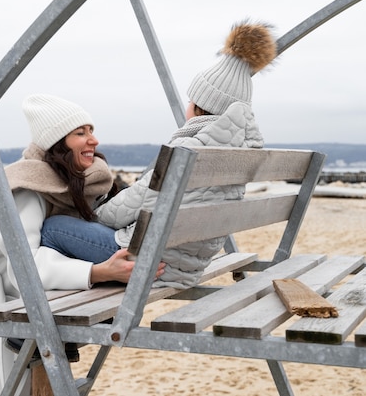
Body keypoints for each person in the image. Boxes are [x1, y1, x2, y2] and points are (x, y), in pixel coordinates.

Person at [0, 93, 164, 396]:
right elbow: (25, 267)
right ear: (58, 142)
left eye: (91, 130)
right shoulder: (29, 187)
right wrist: (98, 272)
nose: (94, 140)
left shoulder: (73, 183)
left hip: (27, 308)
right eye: (81, 133)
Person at [40, 19, 277, 289]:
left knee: (54, 228)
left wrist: (93, 216)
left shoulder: (189, 150)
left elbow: (135, 203)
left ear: (200, 107)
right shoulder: (237, 152)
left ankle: (68, 308)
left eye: (191, 100)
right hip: (187, 264)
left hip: (152, 260)